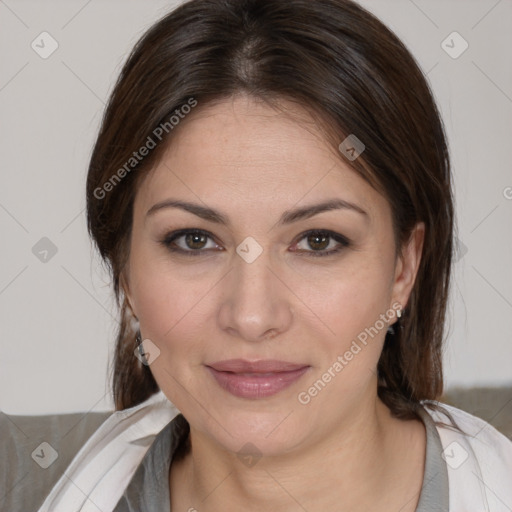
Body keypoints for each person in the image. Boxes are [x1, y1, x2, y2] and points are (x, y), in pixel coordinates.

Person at [1, 0, 511, 511]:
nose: (251, 316)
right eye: (194, 240)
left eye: (318, 241)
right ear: (126, 269)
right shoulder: (24, 480)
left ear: (404, 268)